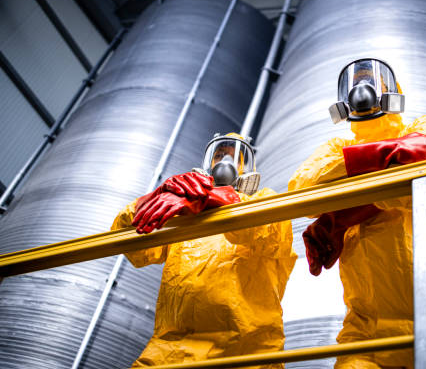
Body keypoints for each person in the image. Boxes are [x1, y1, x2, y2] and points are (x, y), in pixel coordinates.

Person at [289, 59, 426, 368]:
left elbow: (415, 167)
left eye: (374, 80)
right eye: (356, 81)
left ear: (393, 90)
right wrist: (376, 159)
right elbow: (304, 191)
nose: (363, 88)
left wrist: (339, 215)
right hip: (367, 331)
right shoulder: (336, 145)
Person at [111, 133, 297, 367]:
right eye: (219, 155)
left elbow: (270, 233)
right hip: (171, 352)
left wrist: (223, 200)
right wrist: (151, 200)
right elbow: (135, 249)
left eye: (233, 157)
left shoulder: (263, 201)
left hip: (246, 352)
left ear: (247, 168)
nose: (224, 162)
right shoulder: (185, 212)